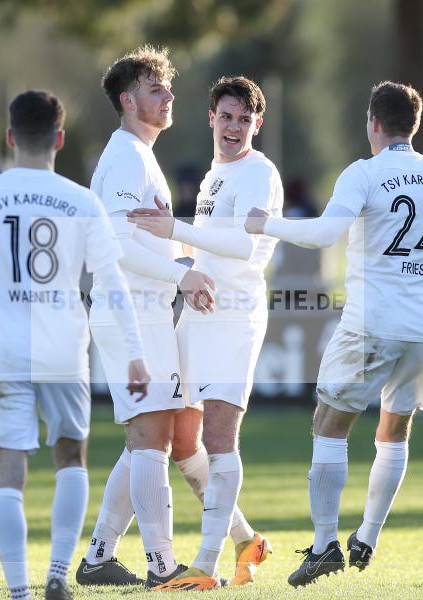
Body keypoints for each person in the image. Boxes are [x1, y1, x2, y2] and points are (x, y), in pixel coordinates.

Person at [244, 81, 423, 586]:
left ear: (373, 124)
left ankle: (323, 547)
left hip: (371, 325)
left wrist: (266, 224)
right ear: (416, 125)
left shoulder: (365, 173)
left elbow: (322, 235)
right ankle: (368, 537)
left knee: (328, 425)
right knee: (394, 430)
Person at [0, 90, 150, 600]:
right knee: (71, 459)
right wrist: (135, 354)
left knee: (6, 473)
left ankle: (18, 591)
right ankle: (58, 574)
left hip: (1, 349)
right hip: (62, 347)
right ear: (58, 139)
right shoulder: (82, 200)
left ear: (10, 137)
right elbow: (112, 283)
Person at [79, 47, 266, 591]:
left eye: (167, 87)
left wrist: (179, 264)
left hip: (147, 310)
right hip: (131, 313)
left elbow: (139, 239)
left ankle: (99, 557)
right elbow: (113, 245)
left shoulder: (140, 154)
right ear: (128, 99)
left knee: (153, 434)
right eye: (156, 88)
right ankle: (161, 564)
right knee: (153, 434)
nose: (168, 96)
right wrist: (182, 276)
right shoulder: (125, 156)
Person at [129, 75, 282, 591]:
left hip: (236, 317)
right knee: (179, 440)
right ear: (210, 118)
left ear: (257, 125)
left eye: (244, 119)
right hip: (199, 311)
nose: (234, 127)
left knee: (219, 439)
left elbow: (242, 247)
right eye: (227, 116)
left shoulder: (260, 174)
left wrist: (174, 231)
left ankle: (207, 564)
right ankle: (247, 540)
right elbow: (206, 248)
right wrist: (180, 265)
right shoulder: (214, 176)